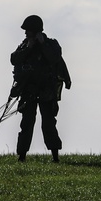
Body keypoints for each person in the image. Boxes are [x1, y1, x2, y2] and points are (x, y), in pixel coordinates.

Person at [10, 15, 71, 162]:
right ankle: (22, 156)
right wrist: (29, 48)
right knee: (27, 124)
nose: (25, 33)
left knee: (49, 124)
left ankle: (55, 157)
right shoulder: (25, 45)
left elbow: (55, 58)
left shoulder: (51, 44)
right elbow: (14, 59)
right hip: (29, 91)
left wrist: (43, 45)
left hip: (46, 91)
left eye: (28, 31)